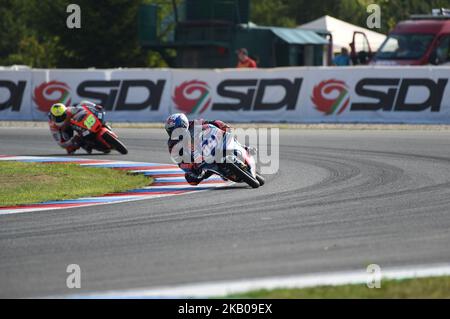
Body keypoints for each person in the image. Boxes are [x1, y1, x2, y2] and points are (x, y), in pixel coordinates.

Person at [165, 113, 232, 186]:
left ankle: (241, 148)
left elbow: (214, 123)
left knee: (224, 130)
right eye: (171, 131)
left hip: (212, 144)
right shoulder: (172, 144)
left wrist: (224, 127)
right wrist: (190, 167)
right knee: (191, 179)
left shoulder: (195, 123)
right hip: (199, 160)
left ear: (183, 125)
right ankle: (218, 171)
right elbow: (180, 162)